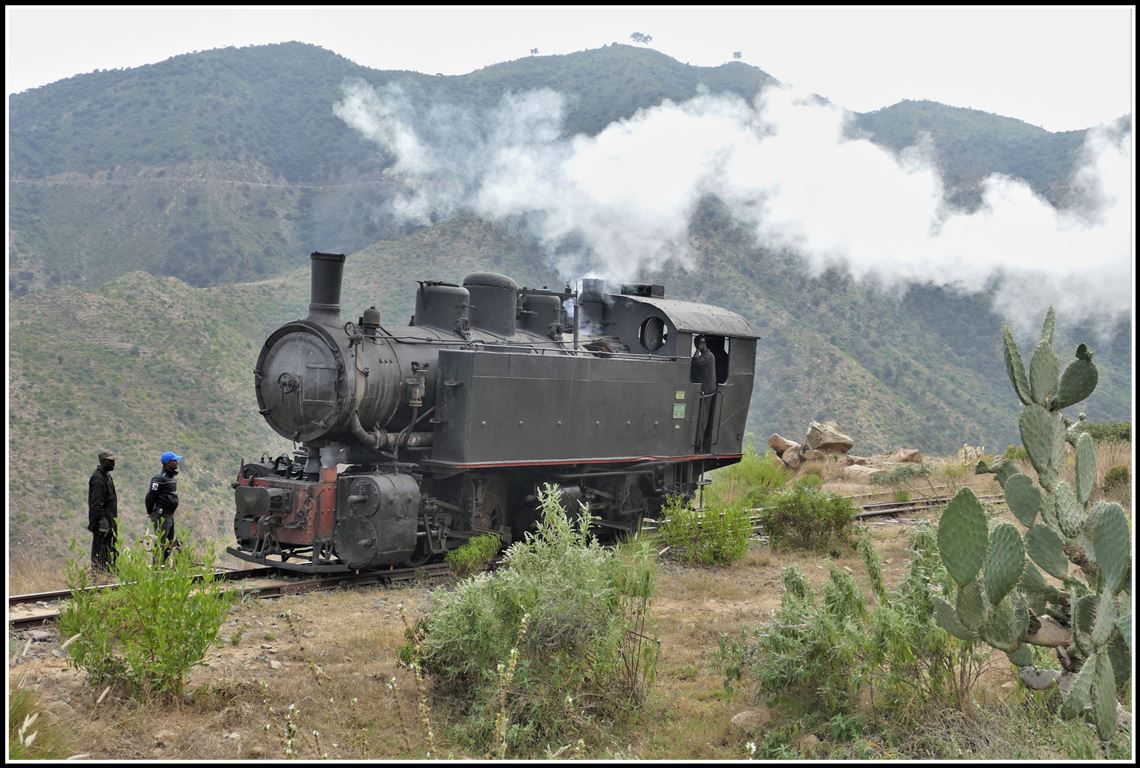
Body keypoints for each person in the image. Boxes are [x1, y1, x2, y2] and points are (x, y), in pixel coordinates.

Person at [146, 450, 182, 564]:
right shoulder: (159, 479)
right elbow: (150, 497)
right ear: (168, 463)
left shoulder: (171, 478)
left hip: (169, 515)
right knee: (161, 543)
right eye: (174, 461)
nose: (177, 463)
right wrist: (150, 512)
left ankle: (163, 566)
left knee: (168, 543)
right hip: (161, 515)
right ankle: (157, 568)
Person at [88, 449, 118, 572]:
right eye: (110, 461)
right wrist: (101, 522)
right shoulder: (98, 479)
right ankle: (98, 575)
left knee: (110, 550)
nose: (113, 463)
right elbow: (96, 504)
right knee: (100, 551)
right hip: (102, 523)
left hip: (110, 521)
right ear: (102, 461)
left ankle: (108, 575)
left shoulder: (107, 477)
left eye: (113, 460)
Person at [690, 335, 718, 452]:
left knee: (703, 417)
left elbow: (695, 361)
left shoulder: (708, 356)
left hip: (706, 391)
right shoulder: (707, 356)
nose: (696, 346)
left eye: (696, 344)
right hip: (706, 390)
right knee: (701, 416)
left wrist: (698, 349)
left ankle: (699, 446)